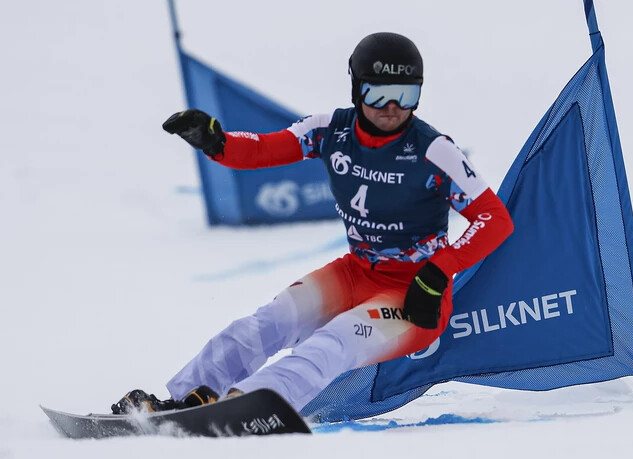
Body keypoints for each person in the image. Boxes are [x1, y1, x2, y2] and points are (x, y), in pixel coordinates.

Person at [112, 32, 514, 415]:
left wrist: (440, 270)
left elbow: (493, 218)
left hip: (413, 295)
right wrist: (219, 143)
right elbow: (266, 149)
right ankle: (186, 402)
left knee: (331, 344)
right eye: (378, 93)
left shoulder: (433, 150)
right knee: (269, 322)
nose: (392, 108)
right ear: (356, 89)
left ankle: (248, 404)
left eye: (406, 96)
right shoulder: (331, 131)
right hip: (356, 273)